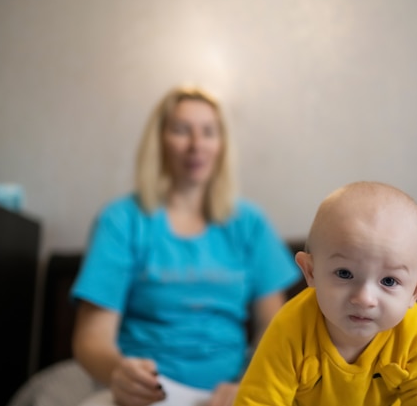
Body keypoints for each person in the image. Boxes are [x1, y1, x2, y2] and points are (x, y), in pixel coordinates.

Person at [70, 86, 301, 406]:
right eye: (181, 130)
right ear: (160, 141)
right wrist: (120, 374)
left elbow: (275, 328)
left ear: (222, 144)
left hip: (230, 393)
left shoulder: (250, 223)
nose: (196, 145)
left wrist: (250, 382)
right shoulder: (121, 220)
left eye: (208, 132)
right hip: (145, 393)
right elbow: (91, 339)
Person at [234, 181, 417, 405]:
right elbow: (258, 401)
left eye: (389, 281)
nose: (364, 299)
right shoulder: (291, 327)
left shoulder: (413, 332)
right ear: (311, 271)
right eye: (344, 274)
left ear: (415, 292)